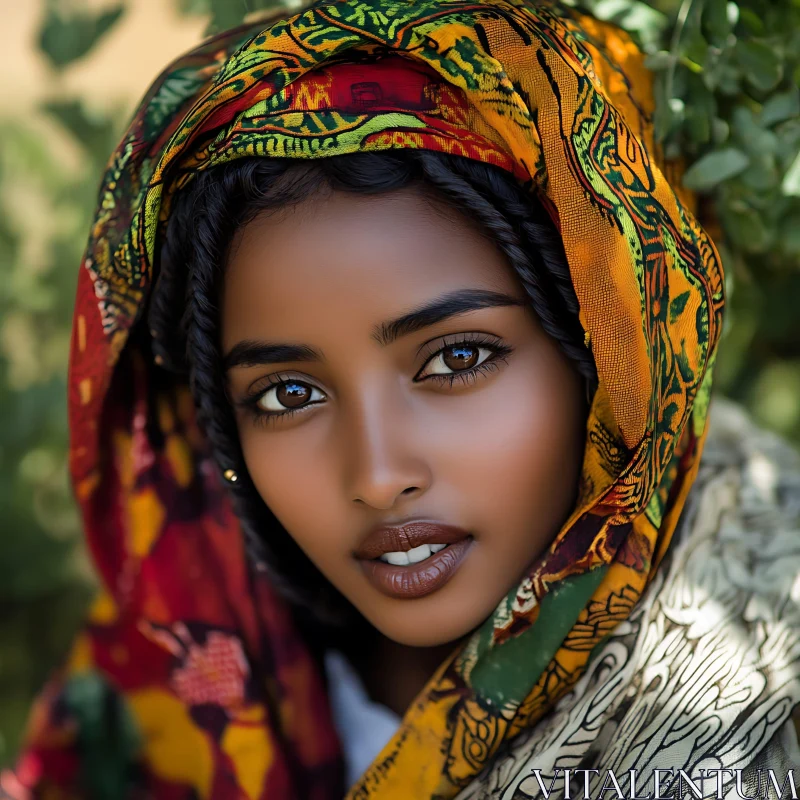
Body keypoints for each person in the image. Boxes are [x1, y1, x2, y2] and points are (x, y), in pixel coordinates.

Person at [3, 1, 799, 798]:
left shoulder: (757, 718)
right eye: (287, 393)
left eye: (457, 358)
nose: (379, 476)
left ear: (618, 352)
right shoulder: (166, 697)